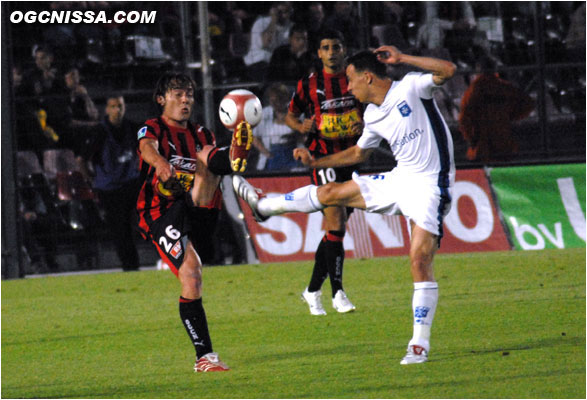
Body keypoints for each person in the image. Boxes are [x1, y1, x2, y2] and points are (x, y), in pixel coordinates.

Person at [234, 46, 456, 365]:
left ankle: (419, 345)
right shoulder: (373, 115)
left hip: (431, 185)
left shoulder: (411, 87)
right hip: (400, 179)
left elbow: (447, 69)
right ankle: (264, 207)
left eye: (351, 80)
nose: (348, 88)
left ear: (368, 77)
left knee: (419, 259)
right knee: (329, 192)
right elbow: (357, 155)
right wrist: (316, 161)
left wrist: (402, 58)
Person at [136, 72, 253, 372]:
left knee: (208, 156)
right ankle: (205, 357)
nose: (186, 99)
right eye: (177, 93)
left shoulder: (202, 133)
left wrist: (230, 159)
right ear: (161, 99)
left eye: (189, 93)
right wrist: (161, 163)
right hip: (160, 212)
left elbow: (207, 157)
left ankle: (233, 156)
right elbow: (146, 148)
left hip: (197, 207)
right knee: (191, 275)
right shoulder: (153, 127)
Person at [284, 28, 364, 315]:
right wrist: (300, 126)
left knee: (335, 231)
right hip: (322, 158)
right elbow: (290, 115)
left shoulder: (356, 78)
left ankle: (312, 289)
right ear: (318, 53)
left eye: (336, 46)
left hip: (352, 158)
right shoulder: (309, 84)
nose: (331, 52)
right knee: (337, 223)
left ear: (344, 50)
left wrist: (365, 124)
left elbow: (375, 108)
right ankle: (338, 292)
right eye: (326, 47)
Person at [80, 95, 141, 271]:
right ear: (106, 110)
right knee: (120, 228)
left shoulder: (132, 128)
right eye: (113, 106)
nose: (117, 110)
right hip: (110, 189)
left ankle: (135, 263)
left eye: (120, 106)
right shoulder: (100, 132)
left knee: (137, 222)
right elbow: (82, 159)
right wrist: (90, 178)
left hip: (130, 183)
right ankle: (130, 265)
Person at [458, 57, 534, 162]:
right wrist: (510, 116)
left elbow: (464, 119)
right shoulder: (504, 87)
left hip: (483, 146)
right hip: (504, 142)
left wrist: (471, 139)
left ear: (478, 70)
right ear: (494, 69)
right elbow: (528, 103)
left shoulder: (474, 91)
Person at [252, 83, 299, 171]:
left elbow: (302, 135)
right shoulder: (265, 114)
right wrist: (267, 154)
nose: (276, 103)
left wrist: (294, 136)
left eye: (279, 99)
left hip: (292, 154)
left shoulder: (295, 112)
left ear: (285, 99)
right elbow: (253, 137)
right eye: (272, 100)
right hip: (272, 156)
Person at [243, 2, 294, 80]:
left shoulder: (291, 26)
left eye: (286, 11)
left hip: (277, 65)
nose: (282, 15)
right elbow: (266, 43)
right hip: (257, 64)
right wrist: (273, 20)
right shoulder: (262, 22)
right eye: (279, 12)